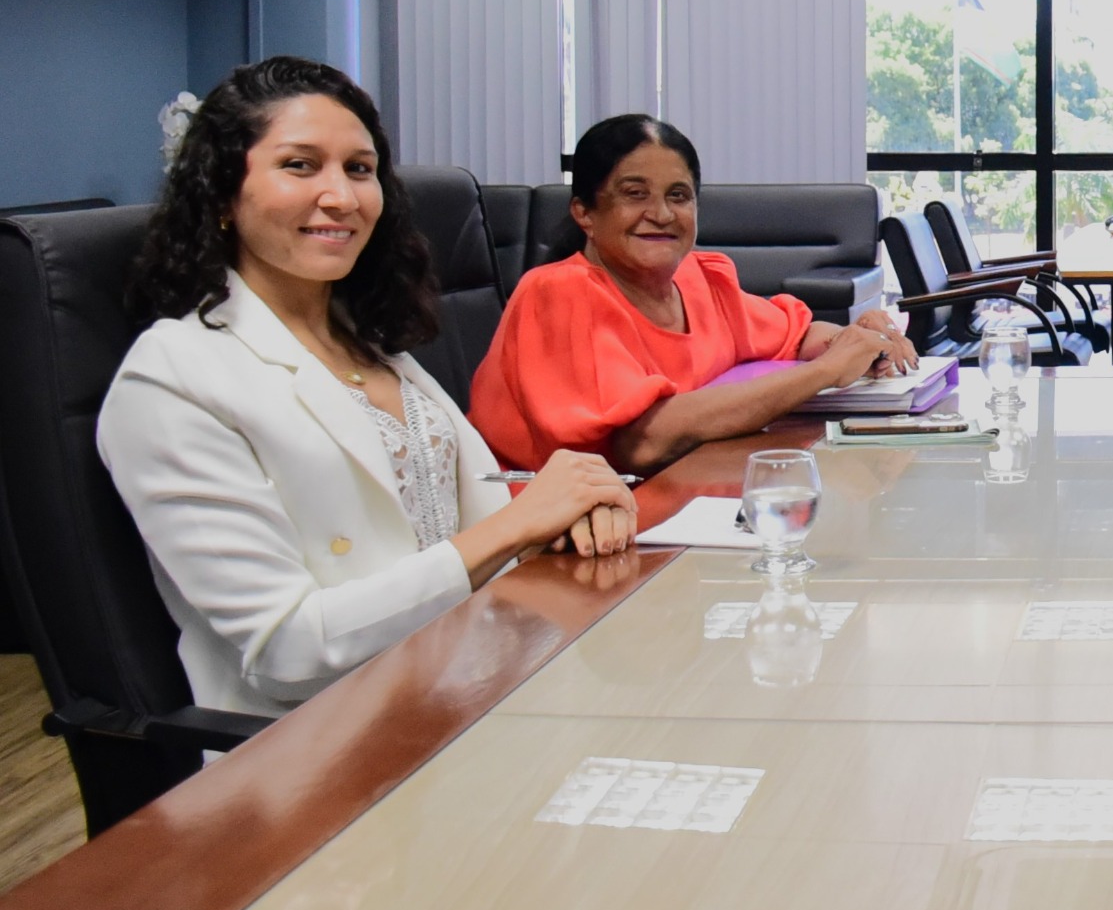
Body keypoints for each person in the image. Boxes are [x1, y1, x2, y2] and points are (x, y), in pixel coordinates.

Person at [98, 57, 640, 719]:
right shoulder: (172, 378)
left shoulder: (370, 343)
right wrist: (517, 526)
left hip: (474, 687)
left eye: (359, 169)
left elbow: (458, 517)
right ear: (218, 197)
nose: (343, 196)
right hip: (324, 754)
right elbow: (288, 649)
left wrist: (569, 507)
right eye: (300, 165)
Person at [472, 114, 917, 475]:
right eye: (635, 194)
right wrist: (825, 371)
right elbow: (643, 442)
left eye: (679, 196)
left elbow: (794, 335)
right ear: (584, 212)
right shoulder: (558, 293)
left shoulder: (700, 277)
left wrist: (851, 339)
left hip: (680, 497)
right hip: (552, 539)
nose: (661, 214)